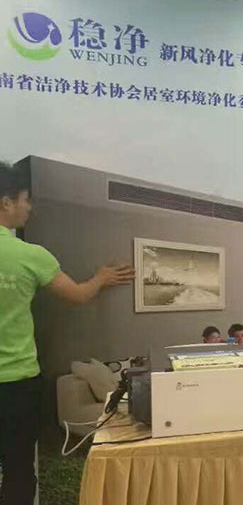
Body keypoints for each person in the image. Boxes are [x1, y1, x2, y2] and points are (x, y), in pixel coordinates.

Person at [0, 161, 134, 504]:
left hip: (17, 383)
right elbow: (77, 295)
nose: (29, 207)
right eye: (25, 200)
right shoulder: (30, 256)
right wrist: (101, 278)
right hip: (16, 382)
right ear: (6, 202)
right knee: (18, 468)